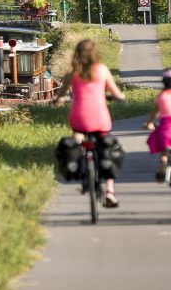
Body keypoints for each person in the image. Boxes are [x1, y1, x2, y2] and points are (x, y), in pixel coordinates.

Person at [54, 38, 125, 207]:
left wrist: (58, 100)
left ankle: (78, 166)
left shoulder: (73, 72)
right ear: (95, 53)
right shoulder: (102, 70)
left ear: (77, 54)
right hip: (100, 118)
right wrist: (120, 97)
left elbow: (61, 94)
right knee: (106, 147)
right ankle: (110, 191)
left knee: (78, 137)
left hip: (78, 117)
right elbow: (116, 93)